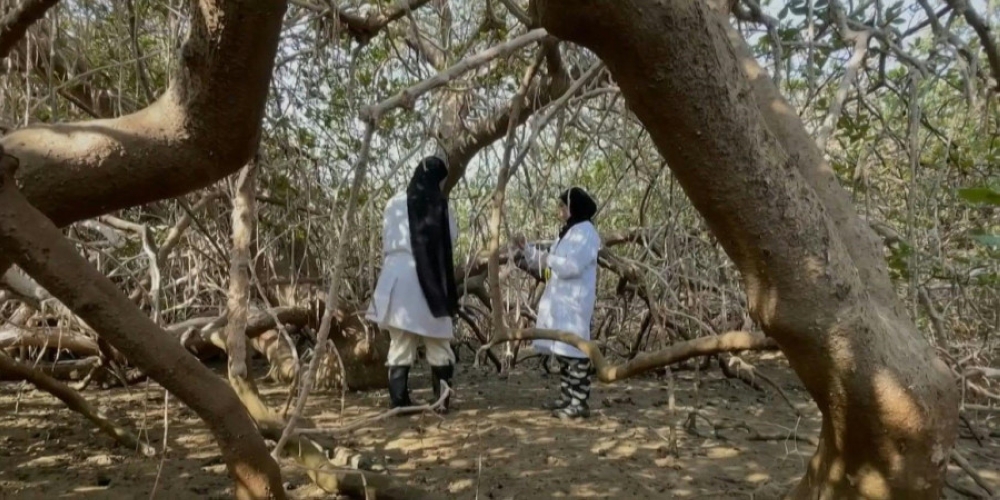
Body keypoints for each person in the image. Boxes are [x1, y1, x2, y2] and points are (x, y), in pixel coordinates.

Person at [366, 155, 459, 413]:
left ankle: (399, 402)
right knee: (439, 342)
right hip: (429, 278)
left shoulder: (394, 202)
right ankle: (441, 403)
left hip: (396, 277)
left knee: (400, 343)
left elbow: (387, 239)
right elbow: (451, 237)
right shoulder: (441, 205)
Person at [514, 187, 601, 419]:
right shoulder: (569, 232)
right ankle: (567, 397)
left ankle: (580, 403)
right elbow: (550, 261)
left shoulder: (587, 233)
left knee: (576, 352)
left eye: (563, 206)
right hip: (561, 302)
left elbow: (570, 266)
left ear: (574, 208)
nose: (559, 211)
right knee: (562, 351)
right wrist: (528, 251)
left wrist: (549, 258)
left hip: (575, 302)